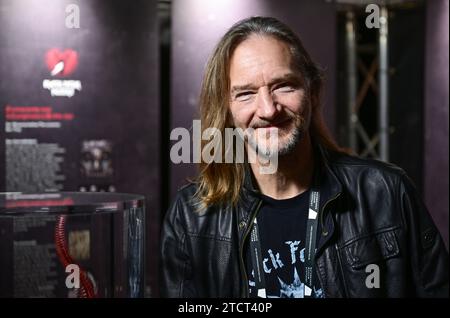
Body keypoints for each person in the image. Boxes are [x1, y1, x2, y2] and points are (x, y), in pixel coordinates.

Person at [160, 16, 448, 298]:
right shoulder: (190, 217)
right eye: (246, 93)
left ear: (313, 92)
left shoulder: (385, 192)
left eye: (283, 86)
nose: (268, 110)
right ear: (227, 109)